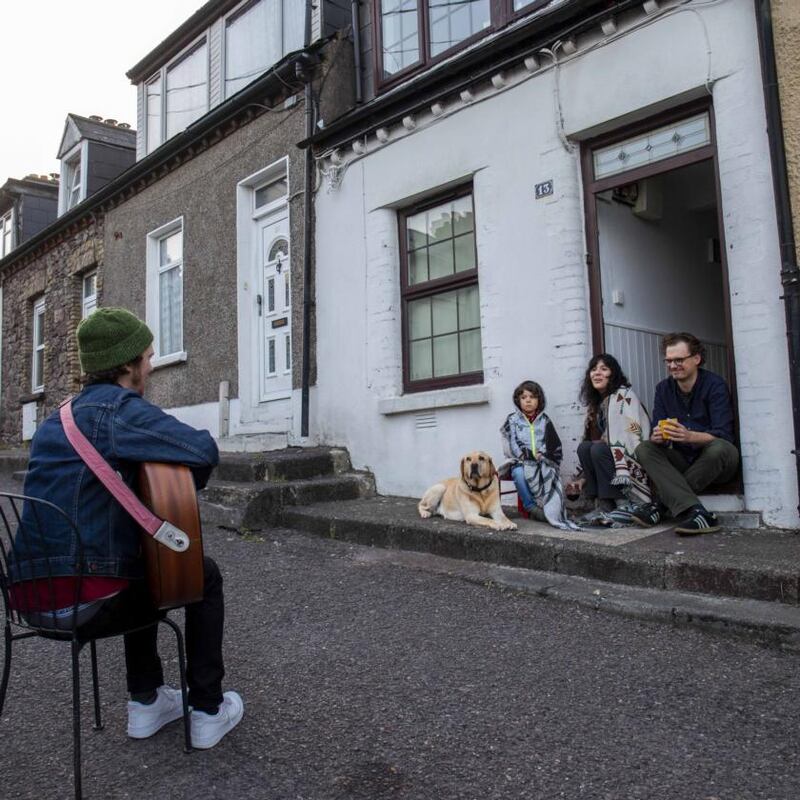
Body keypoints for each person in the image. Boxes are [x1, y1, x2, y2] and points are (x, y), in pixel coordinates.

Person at [12, 307, 243, 748]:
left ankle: (147, 701)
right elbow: (201, 448)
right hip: (88, 601)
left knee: (138, 561)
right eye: (148, 356)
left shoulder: (52, 423)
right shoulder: (118, 410)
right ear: (127, 365)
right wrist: (168, 484)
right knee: (202, 574)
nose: (151, 366)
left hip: (29, 599)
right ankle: (209, 710)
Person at [631, 332, 739, 534]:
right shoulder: (663, 389)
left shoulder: (715, 385)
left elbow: (724, 435)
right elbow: (658, 430)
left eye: (679, 360)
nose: (673, 366)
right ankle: (698, 513)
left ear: (696, 358)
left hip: (717, 463)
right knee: (645, 448)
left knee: (720, 448)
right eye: (669, 361)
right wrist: (658, 437)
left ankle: (661, 506)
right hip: (684, 460)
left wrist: (690, 436)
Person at [571, 354, 651, 515]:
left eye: (604, 369)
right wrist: (581, 478)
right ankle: (601, 503)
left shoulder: (624, 396)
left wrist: (605, 443)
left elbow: (632, 435)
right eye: (593, 369)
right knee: (584, 447)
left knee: (597, 449)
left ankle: (622, 503)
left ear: (613, 374)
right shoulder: (596, 405)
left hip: (631, 457)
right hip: (608, 457)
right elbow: (591, 441)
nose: (597, 373)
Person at [500, 380, 579, 531]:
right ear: (518, 401)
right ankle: (532, 508)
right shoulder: (512, 420)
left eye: (532, 397)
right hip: (521, 461)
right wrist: (526, 456)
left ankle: (551, 508)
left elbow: (552, 443)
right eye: (523, 397)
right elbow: (512, 443)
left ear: (539, 400)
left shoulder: (544, 420)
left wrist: (542, 455)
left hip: (541, 460)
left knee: (549, 471)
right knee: (518, 472)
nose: (528, 400)